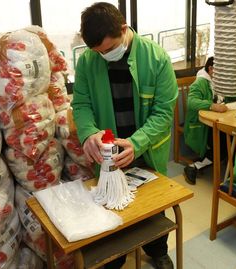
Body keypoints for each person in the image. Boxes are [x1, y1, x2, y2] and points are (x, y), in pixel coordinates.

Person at [72, 3, 178, 269]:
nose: (103, 56)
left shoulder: (157, 59)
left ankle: (158, 251)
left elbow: (164, 113)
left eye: (108, 49)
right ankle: (115, 259)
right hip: (108, 152)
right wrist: (88, 135)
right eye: (97, 52)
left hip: (147, 149)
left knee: (153, 206)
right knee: (112, 205)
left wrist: (137, 143)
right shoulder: (88, 60)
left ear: (123, 29)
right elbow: (81, 104)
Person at [183, 56, 236, 185]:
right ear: (211, 69)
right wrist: (212, 105)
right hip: (202, 125)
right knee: (228, 140)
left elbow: (231, 92)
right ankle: (196, 166)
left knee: (233, 138)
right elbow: (191, 102)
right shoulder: (201, 82)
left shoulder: (217, 82)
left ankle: (233, 174)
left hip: (216, 122)